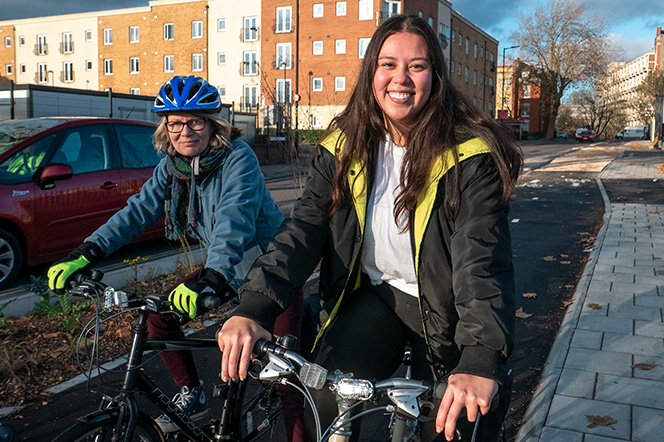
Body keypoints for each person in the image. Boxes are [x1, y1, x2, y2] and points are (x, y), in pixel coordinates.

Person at [217, 14, 522, 442]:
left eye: (417, 66)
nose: (402, 78)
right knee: (324, 397)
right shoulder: (344, 143)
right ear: (371, 73)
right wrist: (254, 306)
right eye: (388, 64)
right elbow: (305, 227)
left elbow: (481, 261)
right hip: (380, 295)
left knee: (451, 425)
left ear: (436, 75)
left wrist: (481, 357)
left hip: (451, 309)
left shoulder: (468, 155)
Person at [46, 75, 304, 439]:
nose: (185, 131)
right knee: (159, 318)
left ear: (212, 124)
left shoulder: (237, 158)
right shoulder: (172, 168)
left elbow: (235, 217)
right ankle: (193, 397)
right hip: (227, 268)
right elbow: (135, 213)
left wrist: (211, 277)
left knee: (285, 380)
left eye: (195, 121)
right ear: (166, 128)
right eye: (175, 123)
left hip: (270, 269)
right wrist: (86, 253)